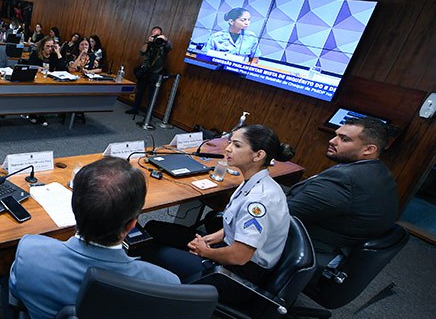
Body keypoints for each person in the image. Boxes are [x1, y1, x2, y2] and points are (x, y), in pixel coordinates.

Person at [7, 157, 179, 319]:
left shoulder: (30, 253)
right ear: (132, 225)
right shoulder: (166, 284)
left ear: (74, 208)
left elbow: (15, 296)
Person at [142, 125, 295, 291]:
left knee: (150, 249)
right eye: (230, 143)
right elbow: (238, 223)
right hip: (229, 249)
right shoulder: (254, 181)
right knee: (153, 228)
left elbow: (239, 256)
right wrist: (210, 239)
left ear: (258, 155)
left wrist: (205, 252)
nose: (228, 149)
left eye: (237, 145)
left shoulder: (260, 200)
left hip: (239, 275)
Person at [287, 116, 398, 271]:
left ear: (369, 149)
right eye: (336, 135)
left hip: (310, 248)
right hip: (339, 241)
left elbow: (283, 214)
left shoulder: (344, 181)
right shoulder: (379, 171)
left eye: (344, 139)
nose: (332, 141)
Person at [128, 26, 172, 116]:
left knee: (152, 94)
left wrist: (165, 40)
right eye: (154, 33)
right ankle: (135, 108)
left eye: (157, 34)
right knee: (140, 91)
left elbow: (170, 47)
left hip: (156, 72)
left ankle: (149, 114)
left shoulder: (164, 45)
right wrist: (148, 42)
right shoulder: (149, 43)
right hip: (145, 70)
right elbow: (141, 52)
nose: (155, 36)